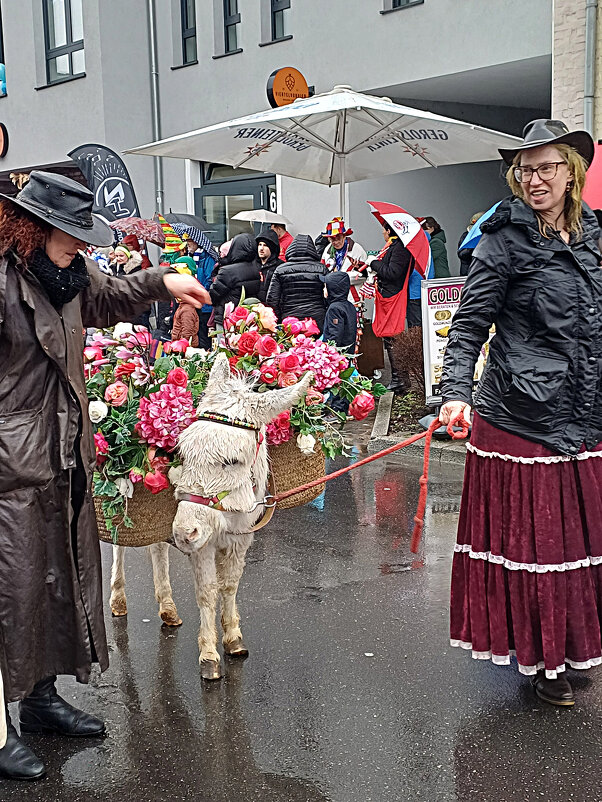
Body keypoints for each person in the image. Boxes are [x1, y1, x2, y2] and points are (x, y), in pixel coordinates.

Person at [0, 171, 209, 780]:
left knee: (50, 579)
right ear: (32, 230)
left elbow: (112, 294)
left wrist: (165, 281)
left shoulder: (67, 277)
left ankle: (38, 700)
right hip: (9, 462)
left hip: (60, 454)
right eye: (69, 235)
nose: (80, 247)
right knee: (9, 592)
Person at [438, 118, 601, 707]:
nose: (536, 178)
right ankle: (543, 660)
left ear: (571, 172)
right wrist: (455, 389)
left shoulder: (596, 237)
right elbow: (468, 328)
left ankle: (572, 647)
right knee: (542, 548)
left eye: (548, 166)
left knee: (583, 542)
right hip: (522, 414)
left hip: (587, 410)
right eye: (526, 168)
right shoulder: (501, 243)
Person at [370, 222, 414, 392]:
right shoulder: (393, 246)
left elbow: (393, 272)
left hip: (393, 297)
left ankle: (400, 379)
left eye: (383, 229)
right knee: (390, 339)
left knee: (392, 338)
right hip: (388, 295)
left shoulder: (400, 248)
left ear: (389, 231)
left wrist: (374, 263)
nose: (382, 233)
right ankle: (399, 379)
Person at [266, 234, 327, 331]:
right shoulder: (321, 269)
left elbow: (272, 299)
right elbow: (328, 294)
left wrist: (281, 316)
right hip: (317, 318)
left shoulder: (280, 269)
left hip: (290, 319)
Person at [209, 233, 260, 328]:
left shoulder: (227, 271)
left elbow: (213, 294)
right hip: (249, 317)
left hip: (227, 318)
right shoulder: (257, 269)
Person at [254, 229, 283, 303]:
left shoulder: (280, 267)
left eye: (265, 245)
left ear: (272, 248)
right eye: (259, 245)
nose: (261, 248)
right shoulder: (253, 265)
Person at [457, 212, 484, 276]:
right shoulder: (465, 236)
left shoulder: (488, 236)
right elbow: (461, 254)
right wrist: (472, 246)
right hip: (468, 273)